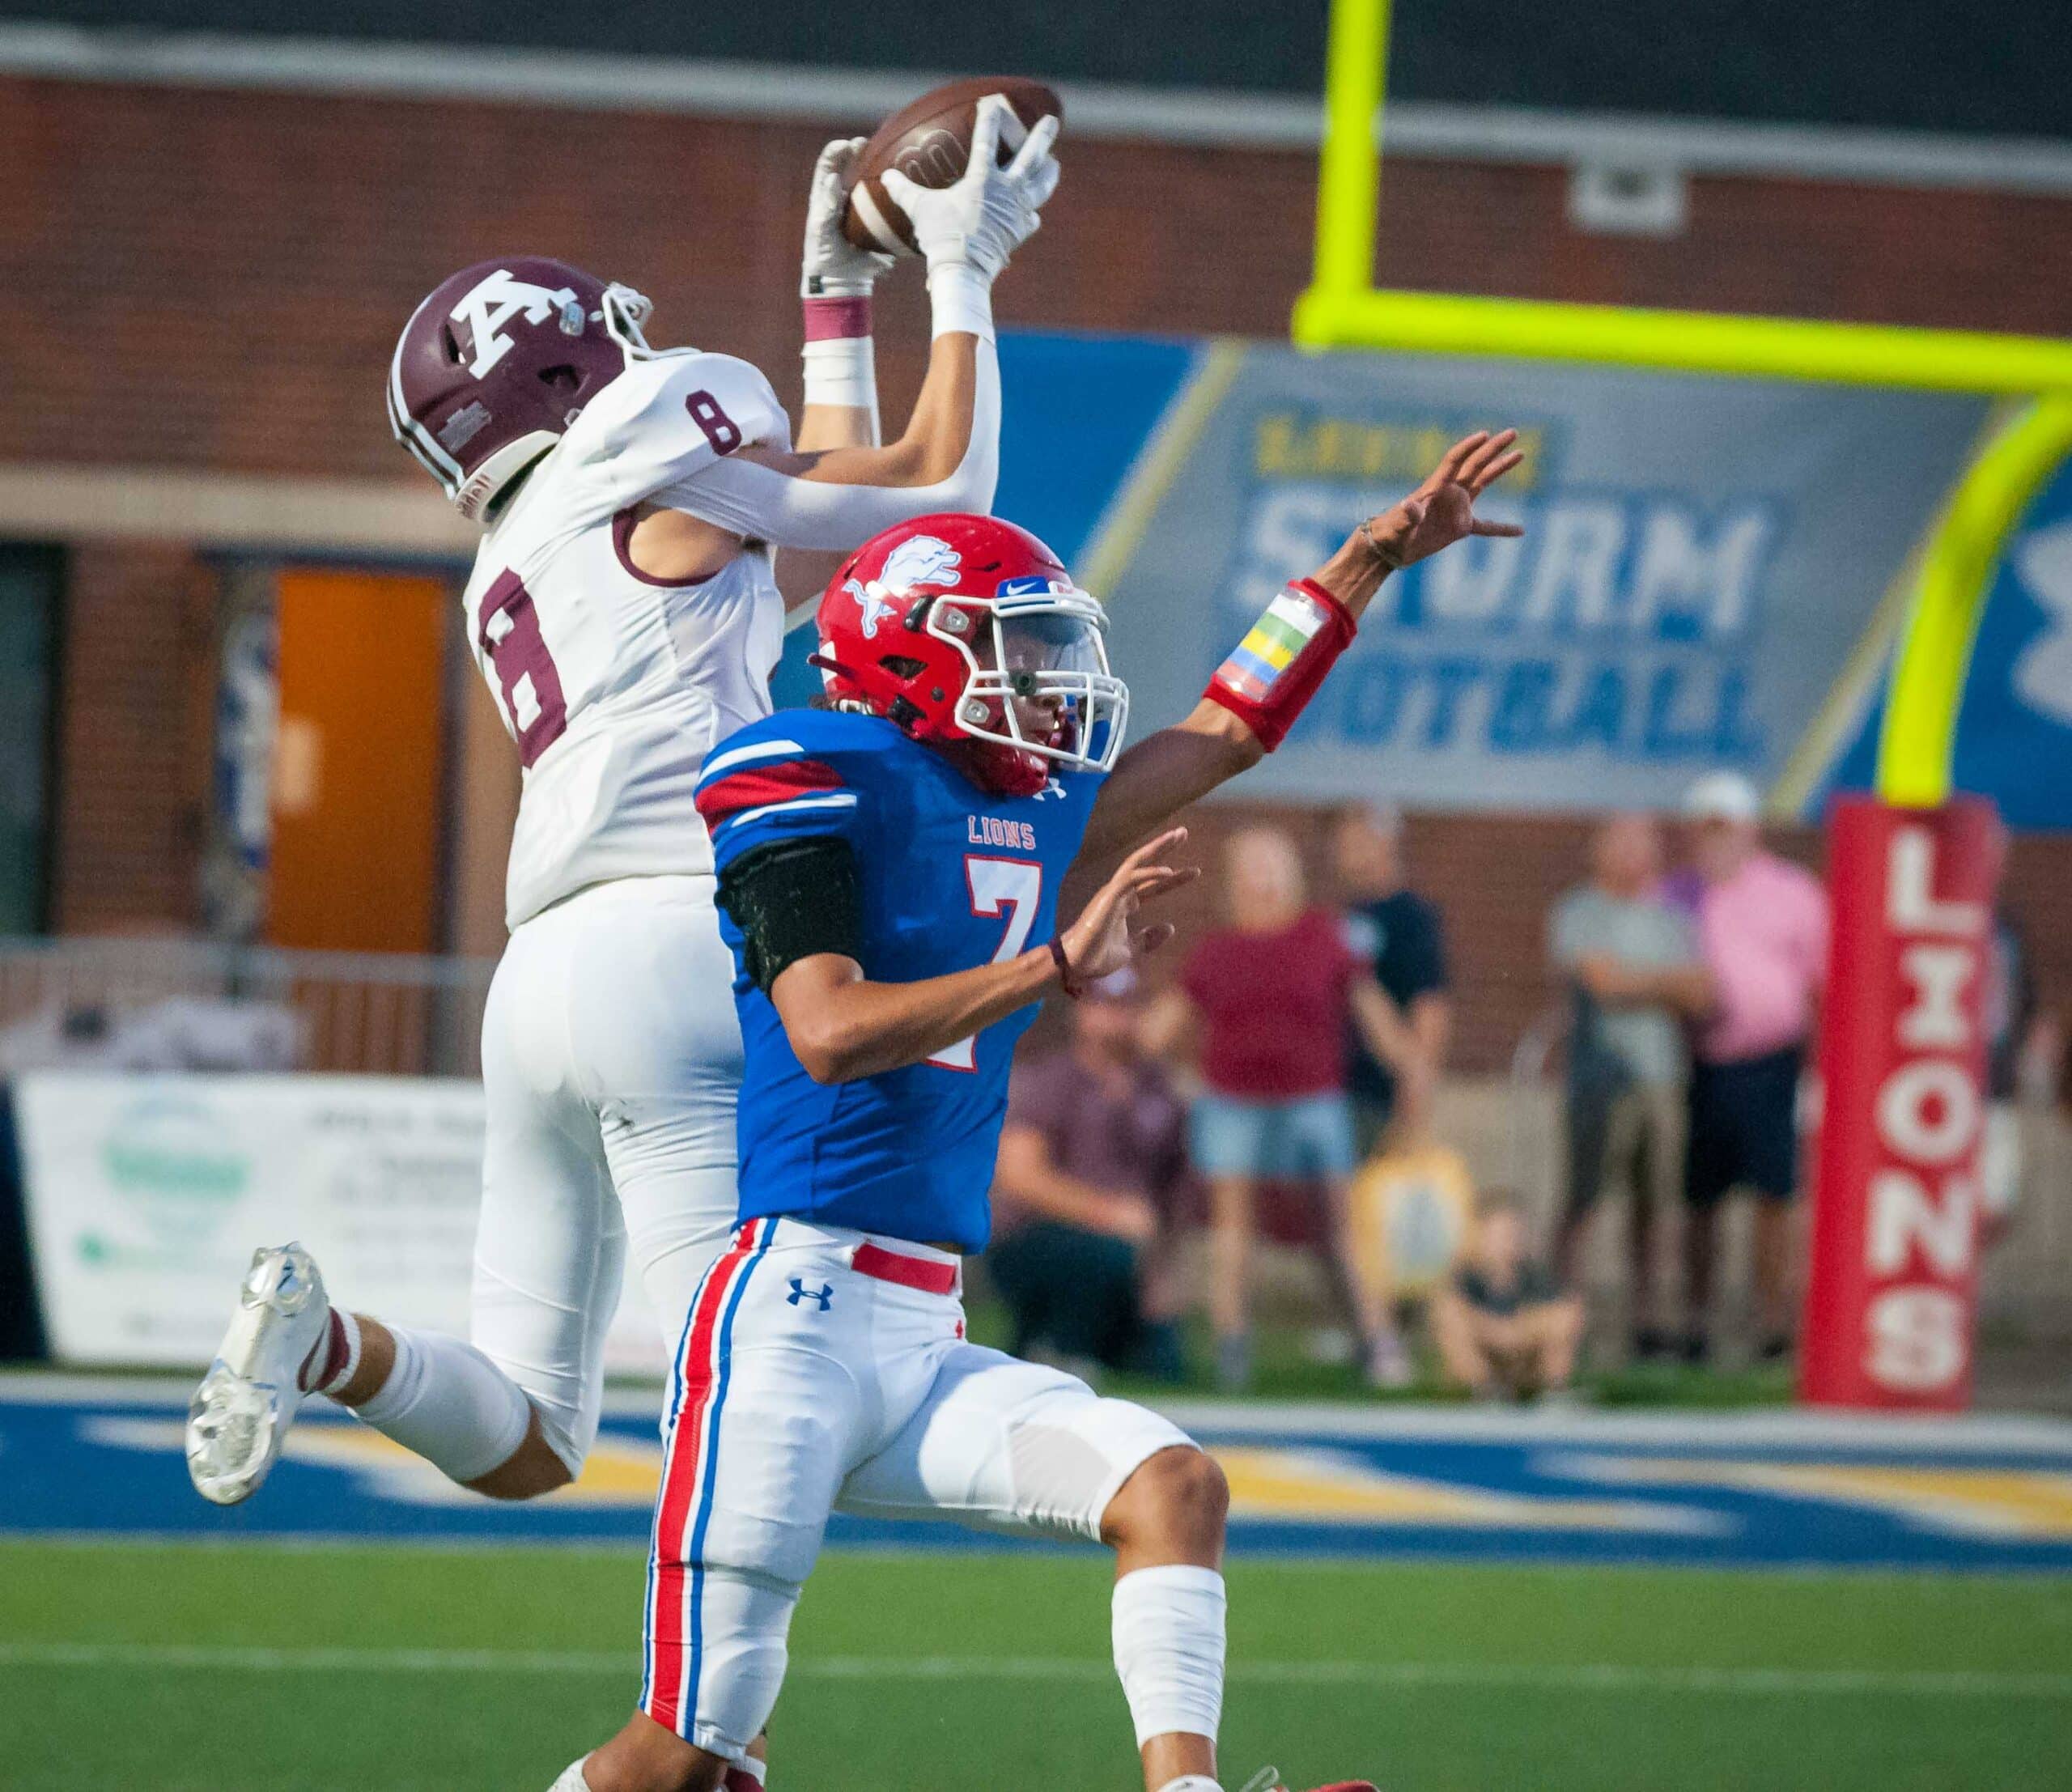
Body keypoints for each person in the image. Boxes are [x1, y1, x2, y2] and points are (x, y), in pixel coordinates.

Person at [184, 97, 1059, 1588]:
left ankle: (324, 1341)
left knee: (531, 1435)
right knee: (775, 1406)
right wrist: (960, 271)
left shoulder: (516, 555)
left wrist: (837, 295)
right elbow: (936, 496)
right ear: (564, 370)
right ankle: (707, 1709)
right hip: (679, 945)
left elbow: (826, 531)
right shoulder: (645, 431)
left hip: (537, 984)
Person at [564, 435, 1522, 1792]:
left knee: (1175, 1484)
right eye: (1011, 649)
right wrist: (1057, 964)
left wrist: (1367, 561)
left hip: (922, 1323)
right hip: (788, 1320)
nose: (1044, 681)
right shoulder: (807, 767)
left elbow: (1227, 730)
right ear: (911, 652)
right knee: (684, 1756)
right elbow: (828, 1032)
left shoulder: (1026, 805)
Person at [1144, 828, 1418, 1389]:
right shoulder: (1217, 950)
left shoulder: (1322, 936)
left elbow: (1370, 1009)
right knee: (1233, 1232)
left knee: (1337, 1230)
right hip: (1232, 1104)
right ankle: (1232, 1351)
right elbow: (1161, 1027)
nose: (1263, 878)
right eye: (1252, 866)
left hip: (1314, 1102)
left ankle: (1377, 1342)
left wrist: (1408, 1064)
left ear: (1292, 874)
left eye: (1272, 865)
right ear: (1233, 880)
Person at [1668, 771, 1828, 1363]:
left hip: (1772, 1063)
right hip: (1702, 1064)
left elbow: (1821, 982)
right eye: (1706, 829)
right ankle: (1696, 1320)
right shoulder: (1678, 895)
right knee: (1700, 1199)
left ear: (1749, 830)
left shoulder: (1792, 891)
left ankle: (1771, 1322)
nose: (1716, 841)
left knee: (1772, 1194)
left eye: (1726, 828)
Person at [1548, 813, 1712, 1359]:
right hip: (1600, 1079)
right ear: (1599, 851)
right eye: (1620, 844)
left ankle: (1645, 1322)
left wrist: (1637, 981)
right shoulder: (1579, 911)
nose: (1631, 855)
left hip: (1662, 1079)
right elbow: (1602, 983)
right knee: (1585, 1196)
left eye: (1641, 845)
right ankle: (1559, 1313)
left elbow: (1702, 993)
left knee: (1654, 1204)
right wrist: (1666, 984)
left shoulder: (1672, 919)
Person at [989, 967, 1189, 1378]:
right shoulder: (1050, 1080)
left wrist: (1164, 1263)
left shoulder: (1159, 1089)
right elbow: (1021, 1177)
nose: (1115, 1020)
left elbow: (1174, 1190)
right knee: (1100, 1257)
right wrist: (1108, 1214)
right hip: (1040, 1236)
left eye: (1126, 1008)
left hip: (1136, 1249)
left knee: (1162, 1365)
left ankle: (1047, 1343)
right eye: (1105, 1007)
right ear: (1083, 1012)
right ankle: (1061, 1346)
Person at [1334, 804, 1450, 1157]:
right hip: (1337, 1087)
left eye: (1357, 842)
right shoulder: (1347, 915)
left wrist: (1416, 1083)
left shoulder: (1411, 916)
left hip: (1381, 1093)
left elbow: (1430, 1004)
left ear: (1385, 843)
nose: (1346, 854)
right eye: (1343, 845)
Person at [1431, 1191, 1584, 1400]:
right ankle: (1480, 1391)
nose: (1508, 1242)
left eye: (1513, 1233)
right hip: (1485, 1356)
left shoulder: (1535, 1278)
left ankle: (1553, 1392)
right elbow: (1450, 1312)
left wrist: (1515, 1333)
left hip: (1524, 1361)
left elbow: (1564, 1313)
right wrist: (1499, 1332)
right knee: (1451, 1320)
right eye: (1500, 1234)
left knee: (1564, 1319)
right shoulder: (1464, 1279)